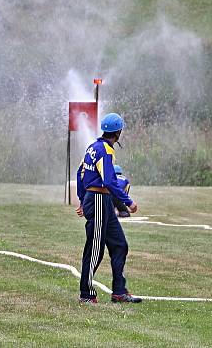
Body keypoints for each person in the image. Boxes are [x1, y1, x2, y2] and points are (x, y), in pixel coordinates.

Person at [75, 112, 141, 304]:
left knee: (119, 244)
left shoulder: (92, 147)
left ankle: (119, 292)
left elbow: (80, 172)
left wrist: (81, 198)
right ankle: (86, 294)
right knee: (95, 250)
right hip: (97, 199)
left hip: (101, 200)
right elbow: (110, 181)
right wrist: (128, 202)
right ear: (118, 132)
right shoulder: (106, 150)